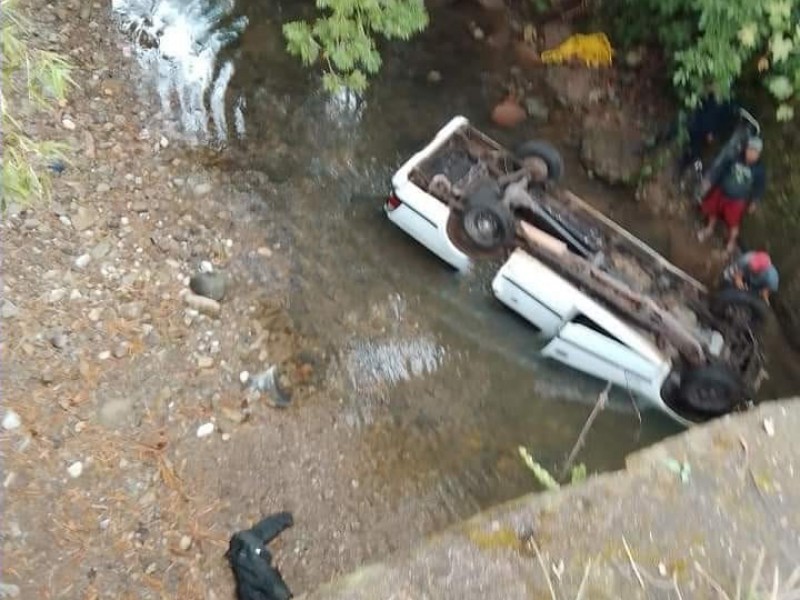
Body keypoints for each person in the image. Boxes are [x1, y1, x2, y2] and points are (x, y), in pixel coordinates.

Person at [697, 135, 766, 255]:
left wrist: (754, 201)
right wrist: (711, 182)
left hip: (737, 200)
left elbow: (759, 188)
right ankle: (709, 229)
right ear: (746, 149)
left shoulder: (759, 170)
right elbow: (721, 170)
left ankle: (731, 242)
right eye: (750, 150)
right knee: (713, 211)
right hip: (722, 191)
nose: (751, 154)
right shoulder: (735, 158)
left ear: (758, 154)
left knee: (733, 223)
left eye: (755, 152)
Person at [679, 91, 740, 172]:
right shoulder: (711, 98)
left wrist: (713, 133)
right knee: (694, 150)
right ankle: (688, 166)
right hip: (698, 126)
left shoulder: (727, 105)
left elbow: (722, 122)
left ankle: (693, 168)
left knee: (696, 152)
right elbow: (702, 110)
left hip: (704, 130)